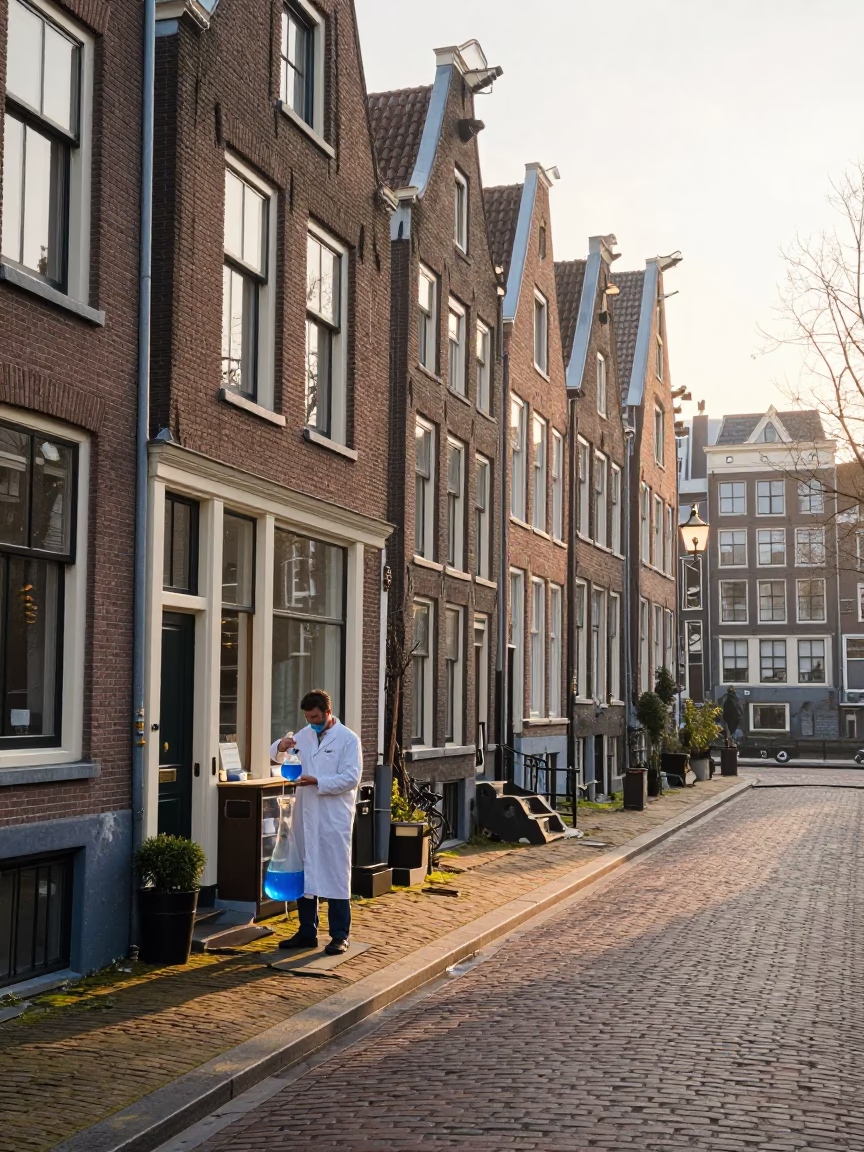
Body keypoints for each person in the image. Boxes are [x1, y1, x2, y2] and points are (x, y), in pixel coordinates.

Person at [269, 689, 362, 955]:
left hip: (334, 817)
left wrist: (318, 782)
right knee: (304, 871)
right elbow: (277, 756)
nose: (312, 722)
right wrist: (281, 745)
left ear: (327, 712)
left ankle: (339, 935)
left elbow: (351, 778)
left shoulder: (348, 740)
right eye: (308, 718)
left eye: (316, 717)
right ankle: (306, 932)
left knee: (335, 873)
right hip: (305, 814)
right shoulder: (305, 734)